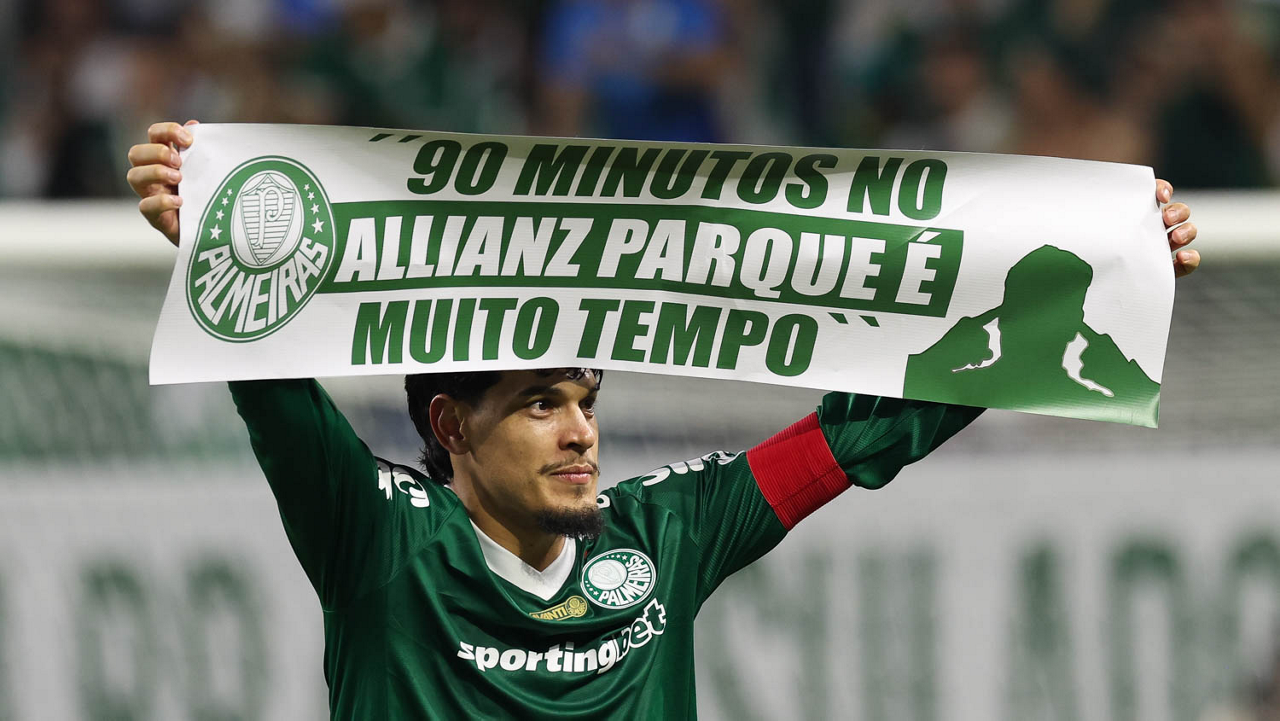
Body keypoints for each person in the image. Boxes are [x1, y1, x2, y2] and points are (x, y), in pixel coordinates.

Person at [126, 121, 1200, 719]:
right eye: (540, 404)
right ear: (449, 426)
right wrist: (213, 232)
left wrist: (1100, 269)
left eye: (585, 402)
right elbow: (271, 388)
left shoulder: (667, 533)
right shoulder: (378, 538)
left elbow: (859, 434)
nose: (580, 432)